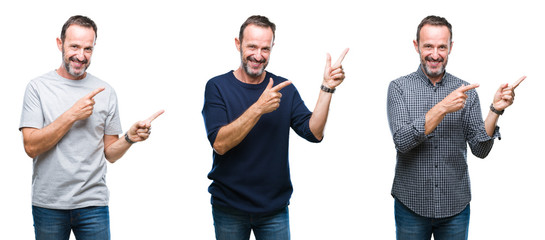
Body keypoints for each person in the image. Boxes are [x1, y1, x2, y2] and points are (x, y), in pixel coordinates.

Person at [202, 15, 348, 240]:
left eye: (265, 49)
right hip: (228, 207)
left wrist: (327, 88)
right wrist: (258, 108)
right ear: (238, 44)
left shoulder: (284, 88)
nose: (258, 56)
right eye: (252, 46)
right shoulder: (217, 86)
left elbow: (314, 132)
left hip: (274, 210)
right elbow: (220, 144)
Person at [19, 15, 164, 240]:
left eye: (88, 48)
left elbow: (110, 154)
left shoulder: (105, 91)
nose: (81, 56)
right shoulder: (38, 88)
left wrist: (129, 138)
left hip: (93, 204)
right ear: (60, 44)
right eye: (74, 46)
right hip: (49, 204)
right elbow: (31, 146)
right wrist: (72, 115)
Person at [387, 15, 525, 240]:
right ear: (416, 46)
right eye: (428, 46)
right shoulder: (399, 88)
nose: (435, 54)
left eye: (442, 47)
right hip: (410, 204)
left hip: (455, 207)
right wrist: (442, 108)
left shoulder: (466, 91)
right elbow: (402, 142)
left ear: (450, 47)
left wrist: (495, 110)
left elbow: (480, 150)